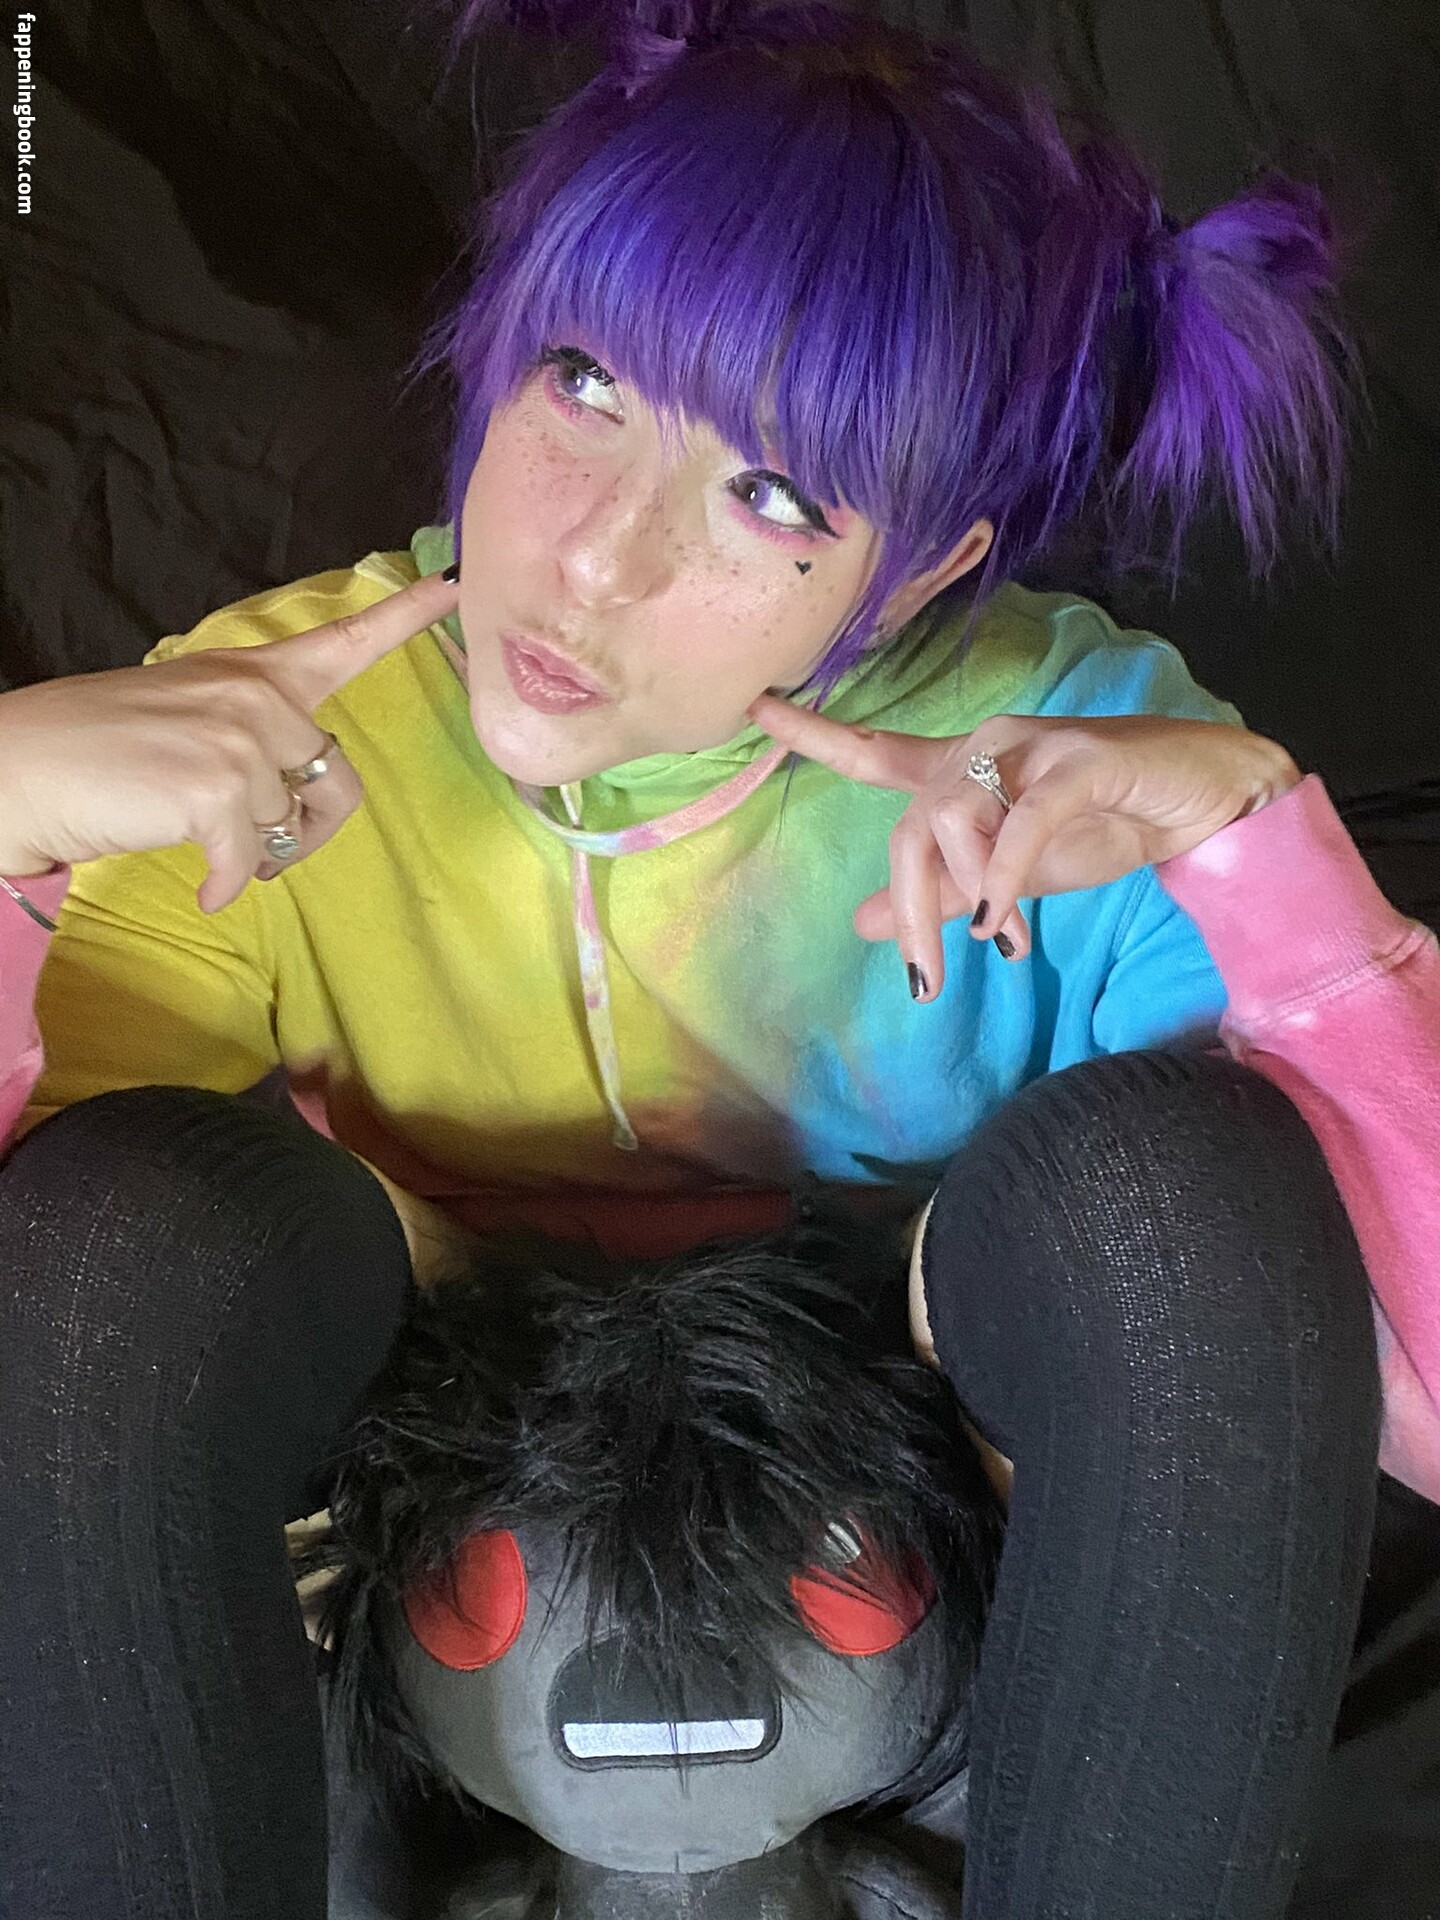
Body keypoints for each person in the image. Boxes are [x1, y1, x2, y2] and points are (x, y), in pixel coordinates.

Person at [1, 1, 1438, 1914]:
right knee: (119, 1221)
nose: (597, 558)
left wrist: (1268, 861)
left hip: (920, 1571)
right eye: (585, 383)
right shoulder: (269, 728)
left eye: (773, 494)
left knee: (1181, 1183)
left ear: (923, 571)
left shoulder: (1066, 759)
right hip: (435, 1551)